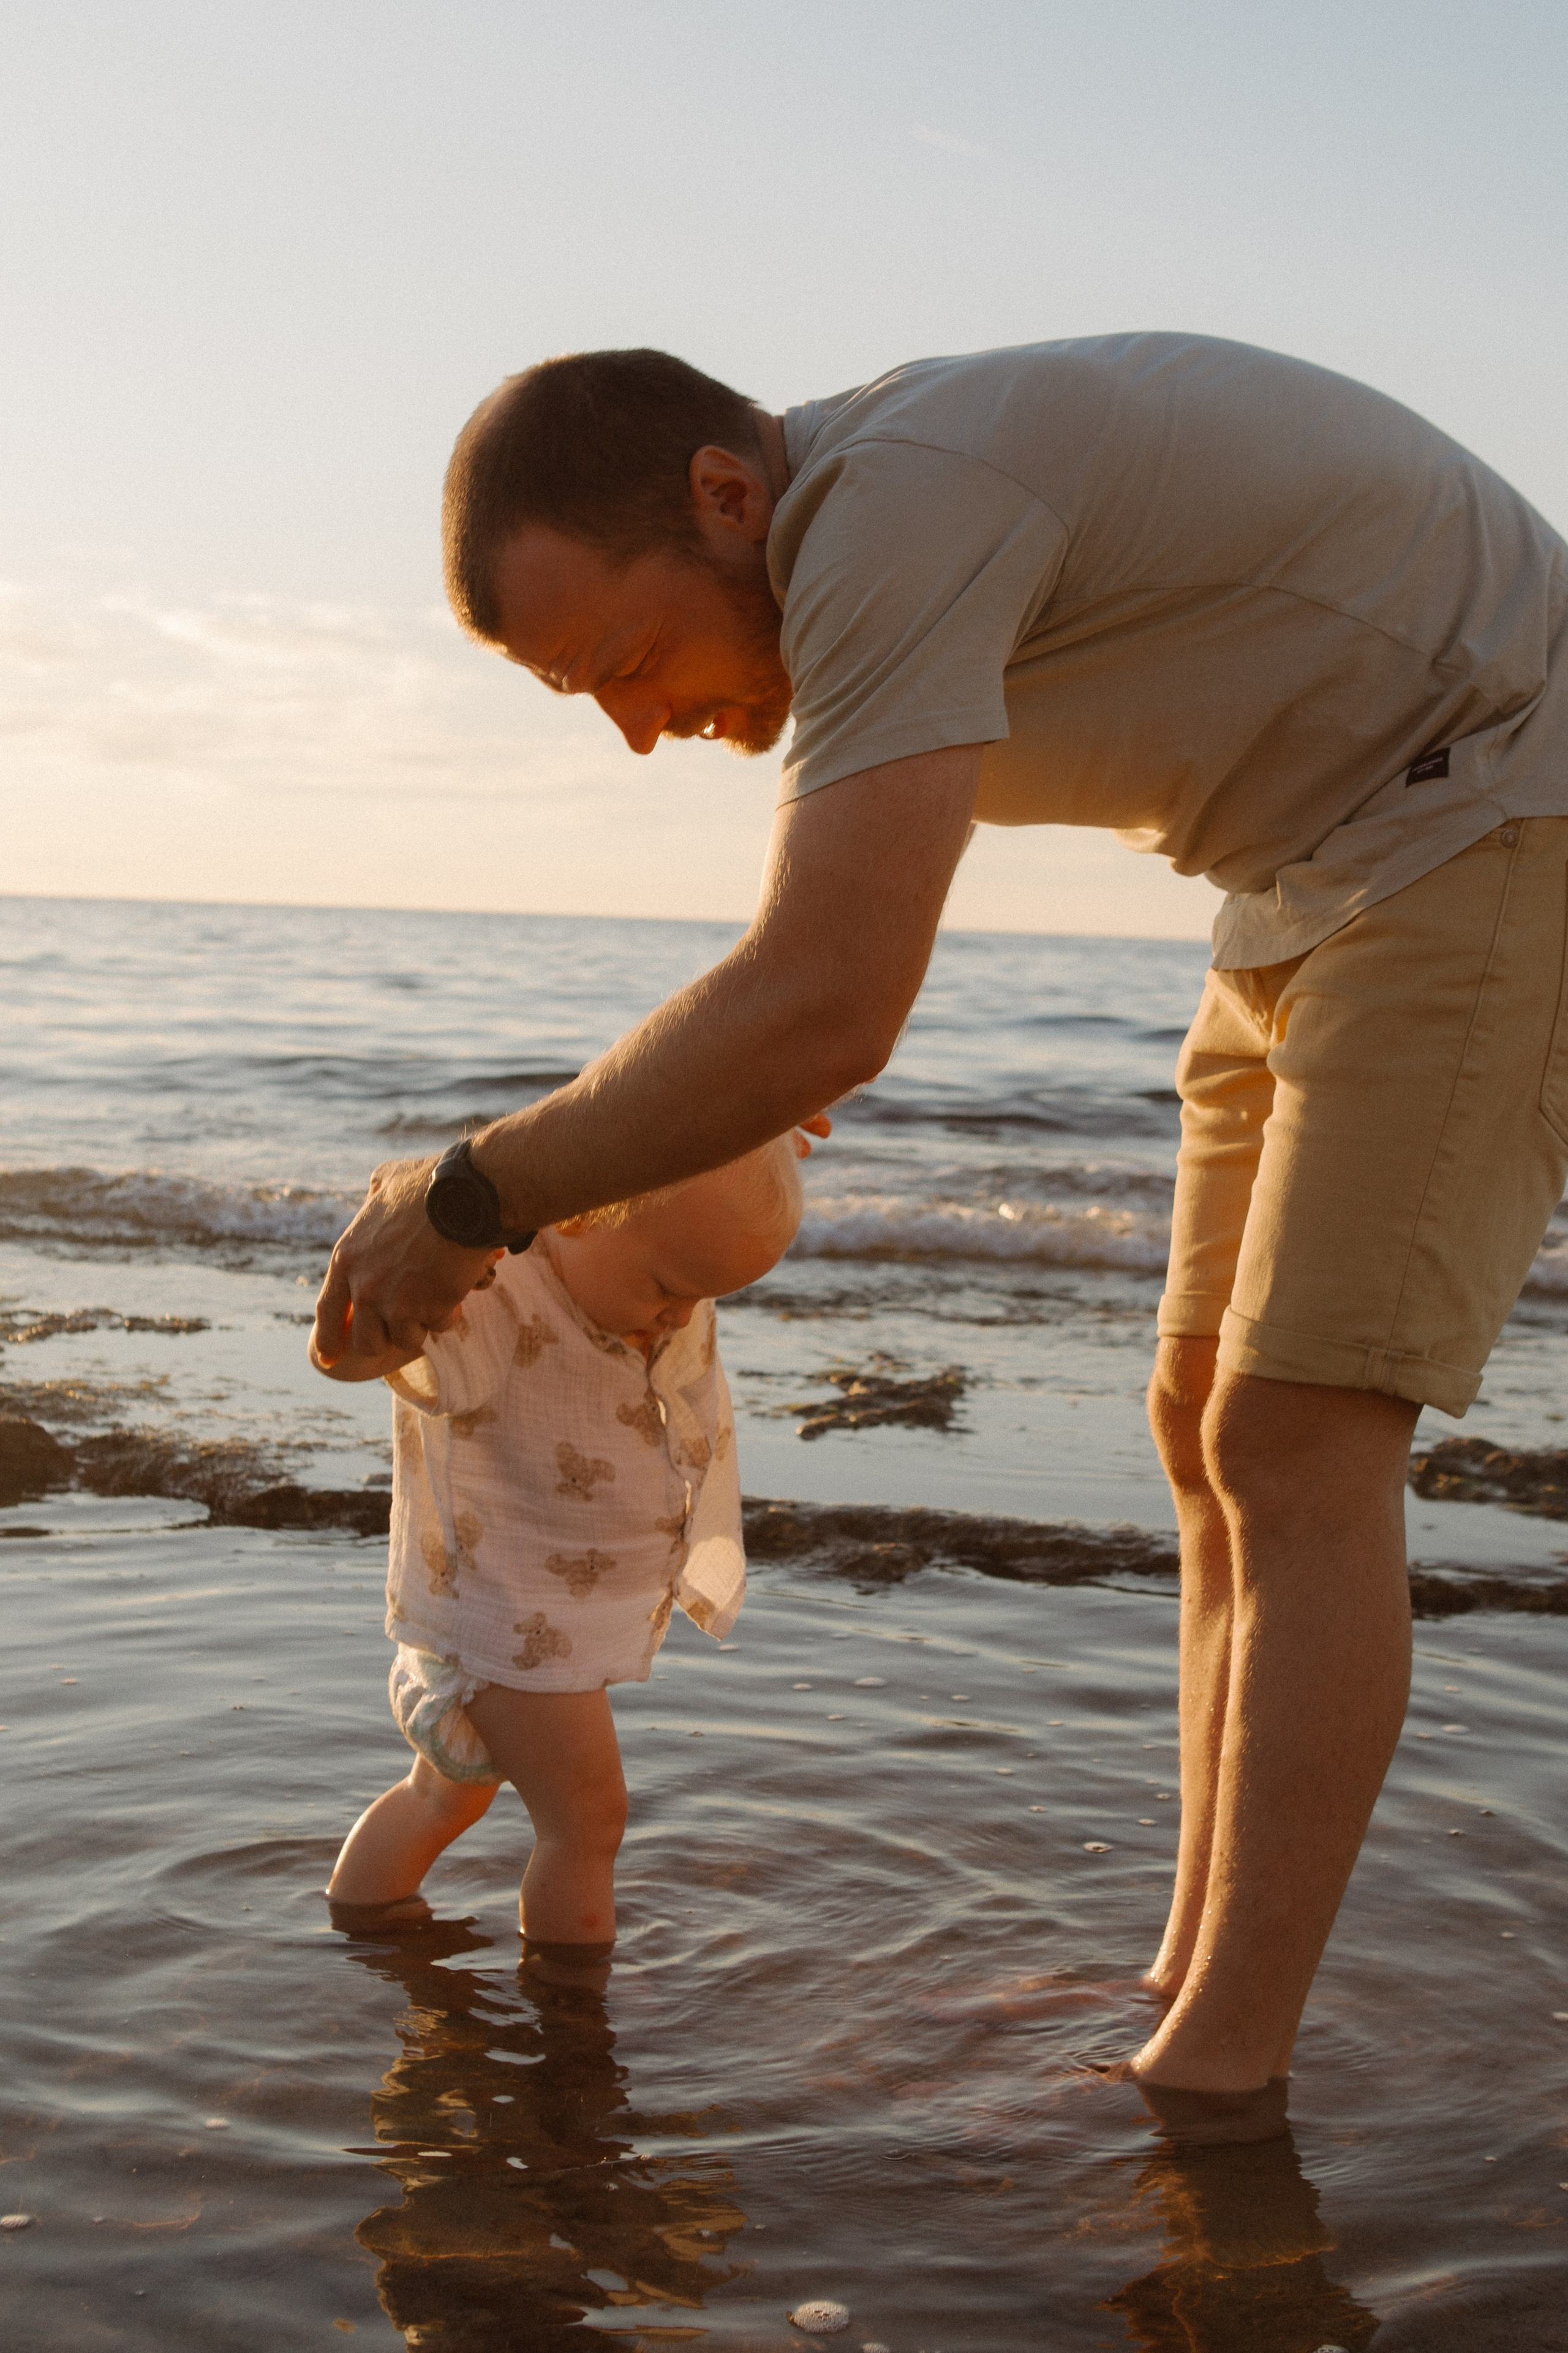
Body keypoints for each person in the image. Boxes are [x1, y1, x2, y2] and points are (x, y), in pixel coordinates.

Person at [312, 334, 1568, 2125]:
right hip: (1300, 872)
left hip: (1505, 806)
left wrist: (471, 1197)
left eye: (631, 660)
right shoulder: (869, 543)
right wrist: (599, 1142)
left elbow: (826, 999)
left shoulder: (894, 507)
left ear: (726, 497)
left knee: (1297, 1440)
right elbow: (794, 991)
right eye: (586, 699)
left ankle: (1217, 2078)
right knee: (1205, 1417)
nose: (642, 728)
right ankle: (1185, 1983)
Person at [315, 1130, 813, 1957]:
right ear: (583, 1216)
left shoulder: (652, 1282)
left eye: (707, 1298)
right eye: (668, 1287)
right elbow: (403, 1342)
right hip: (506, 1627)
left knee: (445, 1797)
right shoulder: (498, 1291)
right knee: (589, 1821)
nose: (683, 1316)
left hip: (512, 1625)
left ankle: (363, 1919)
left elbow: (667, 1107)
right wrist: (364, 1332)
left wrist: (755, 1117)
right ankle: (573, 2006)